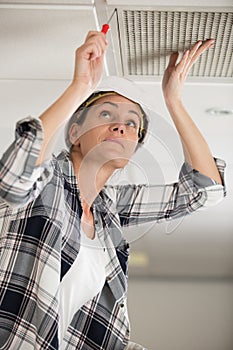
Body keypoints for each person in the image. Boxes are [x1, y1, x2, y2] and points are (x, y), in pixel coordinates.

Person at [0, 30, 226, 350]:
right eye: (106, 114)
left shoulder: (112, 209)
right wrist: (80, 87)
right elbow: (13, 176)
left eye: (133, 123)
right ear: (75, 132)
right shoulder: (45, 184)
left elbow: (206, 191)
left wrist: (174, 100)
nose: (121, 126)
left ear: (134, 147)